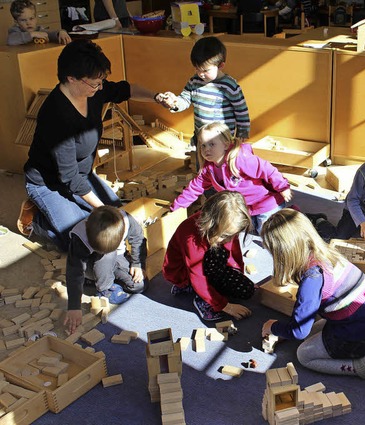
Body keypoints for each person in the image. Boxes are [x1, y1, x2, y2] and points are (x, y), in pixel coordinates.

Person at [17, 39, 157, 251]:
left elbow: (125, 89)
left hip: (81, 177)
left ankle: (77, 213)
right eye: (94, 83)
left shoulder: (92, 89)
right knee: (81, 240)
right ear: (71, 78)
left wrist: (157, 97)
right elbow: (69, 177)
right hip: (49, 183)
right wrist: (103, 211)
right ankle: (36, 220)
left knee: (116, 218)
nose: (100, 87)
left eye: (101, 81)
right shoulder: (56, 115)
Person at [260, 209, 365, 384]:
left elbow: (300, 331)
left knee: (304, 355)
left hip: (360, 332)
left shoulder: (312, 279)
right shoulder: (327, 253)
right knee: (315, 328)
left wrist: (274, 326)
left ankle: (364, 364)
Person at [170, 122, 292, 233]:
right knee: (242, 232)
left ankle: (289, 219)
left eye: (212, 144)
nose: (206, 149)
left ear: (226, 144)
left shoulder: (240, 158)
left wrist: (283, 187)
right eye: (203, 145)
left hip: (266, 203)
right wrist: (176, 207)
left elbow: (267, 170)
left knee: (269, 235)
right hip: (244, 208)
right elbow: (194, 188)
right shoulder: (209, 169)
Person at [163, 191, 255, 322]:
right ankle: (198, 296)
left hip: (211, 265)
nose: (228, 239)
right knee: (216, 258)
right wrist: (225, 306)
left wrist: (239, 272)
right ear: (210, 223)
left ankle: (205, 291)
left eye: (232, 235)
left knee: (247, 290)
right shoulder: (190, 236)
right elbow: (197, 275)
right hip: (184, 272)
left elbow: (234, 252)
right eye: (225, 236)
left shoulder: (226, 227)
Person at [155, 36, 250, 157]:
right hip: (201, 139)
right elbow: (184, 99)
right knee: (202, 168)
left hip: (222, 140)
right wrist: (174, 102)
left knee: (222, 168)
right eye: (197, 69)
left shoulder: (230, 86)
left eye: (205, 70)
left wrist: (242, 134)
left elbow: (241, 112)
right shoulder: (194, 82)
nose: (201, 74)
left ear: (221, 65)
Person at [64, 206, 147, 334]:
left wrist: (137, 264)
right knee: (107, 256)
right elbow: (74, 272)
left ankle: (103, 279)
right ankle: (104, 288)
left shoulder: (126, 221)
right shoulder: (80, 237)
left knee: (139, 285)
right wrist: (74, 306)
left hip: (117, 257)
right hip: (91, 265)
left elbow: (138, 239)